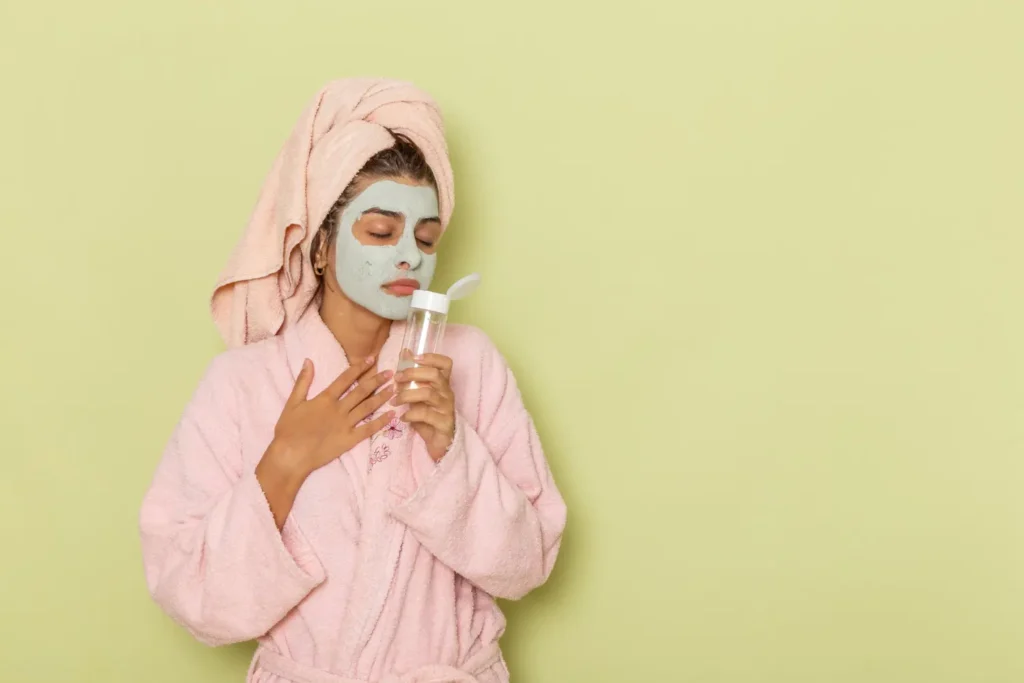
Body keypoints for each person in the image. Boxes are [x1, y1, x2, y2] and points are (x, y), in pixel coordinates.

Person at [138, 78, 567, 683]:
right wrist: (285, 460)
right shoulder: (241, 383)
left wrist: (451, 448)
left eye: (425, 238)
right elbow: (191, 593)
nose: (409, 258)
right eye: (380, 232)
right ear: (320, 243)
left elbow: (527, 565)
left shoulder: (468, 362)